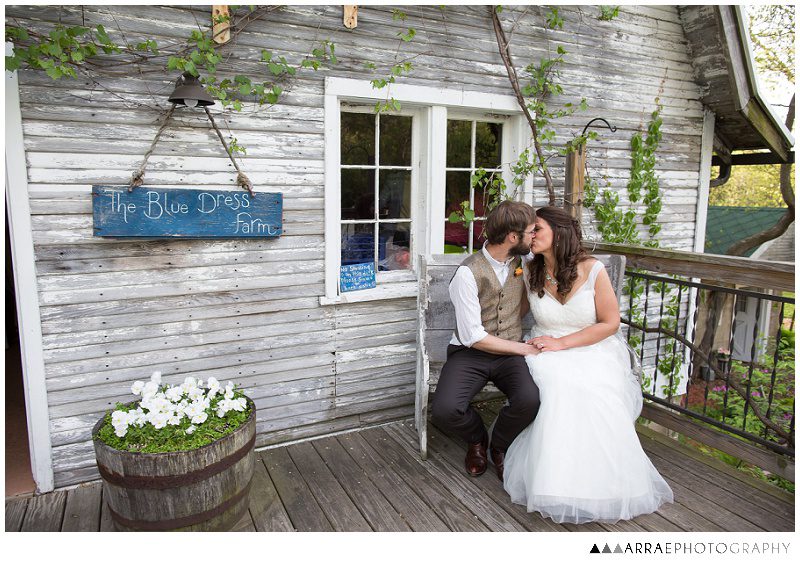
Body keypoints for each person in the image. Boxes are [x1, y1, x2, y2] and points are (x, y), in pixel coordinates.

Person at [502, 206, 673, 523]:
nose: (532, 235)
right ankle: (554, 483)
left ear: (559, 232)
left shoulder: (593, 269)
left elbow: (610, 323)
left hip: (591, 347)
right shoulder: (528, 270)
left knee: (593, 387)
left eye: (537, 228)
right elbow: (513, 314)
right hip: (544, 349)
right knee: (559, 385)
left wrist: (563, 343)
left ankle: (603, 485)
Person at [431, 201, 541, 480]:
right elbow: (473, 337)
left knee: (530, 400)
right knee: (445, 410)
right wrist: (523, 348)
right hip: (471, 353)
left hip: (509, 353)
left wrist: (515, 323)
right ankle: (477, 438)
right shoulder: (467, 273)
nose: (534, 236)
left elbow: (526, 299)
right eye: (530, 232)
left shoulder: (524, 262)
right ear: (513, 238)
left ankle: (499, 446)